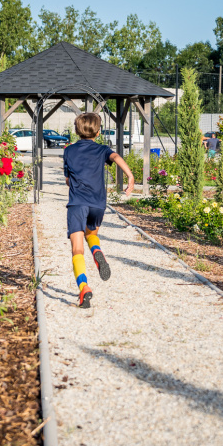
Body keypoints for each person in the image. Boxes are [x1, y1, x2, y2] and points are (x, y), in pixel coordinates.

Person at [63, 112, 134, 308]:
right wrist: (130, 176)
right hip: (97, 205)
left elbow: (68, 180)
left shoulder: (68, 151)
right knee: (91, 233)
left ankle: (84, 287)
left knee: (77, 249)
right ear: (98, 131)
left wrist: (75, 182)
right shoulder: (102, 149)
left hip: (77, 204)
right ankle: (96, 251)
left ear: (77, 131)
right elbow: (116, 156)